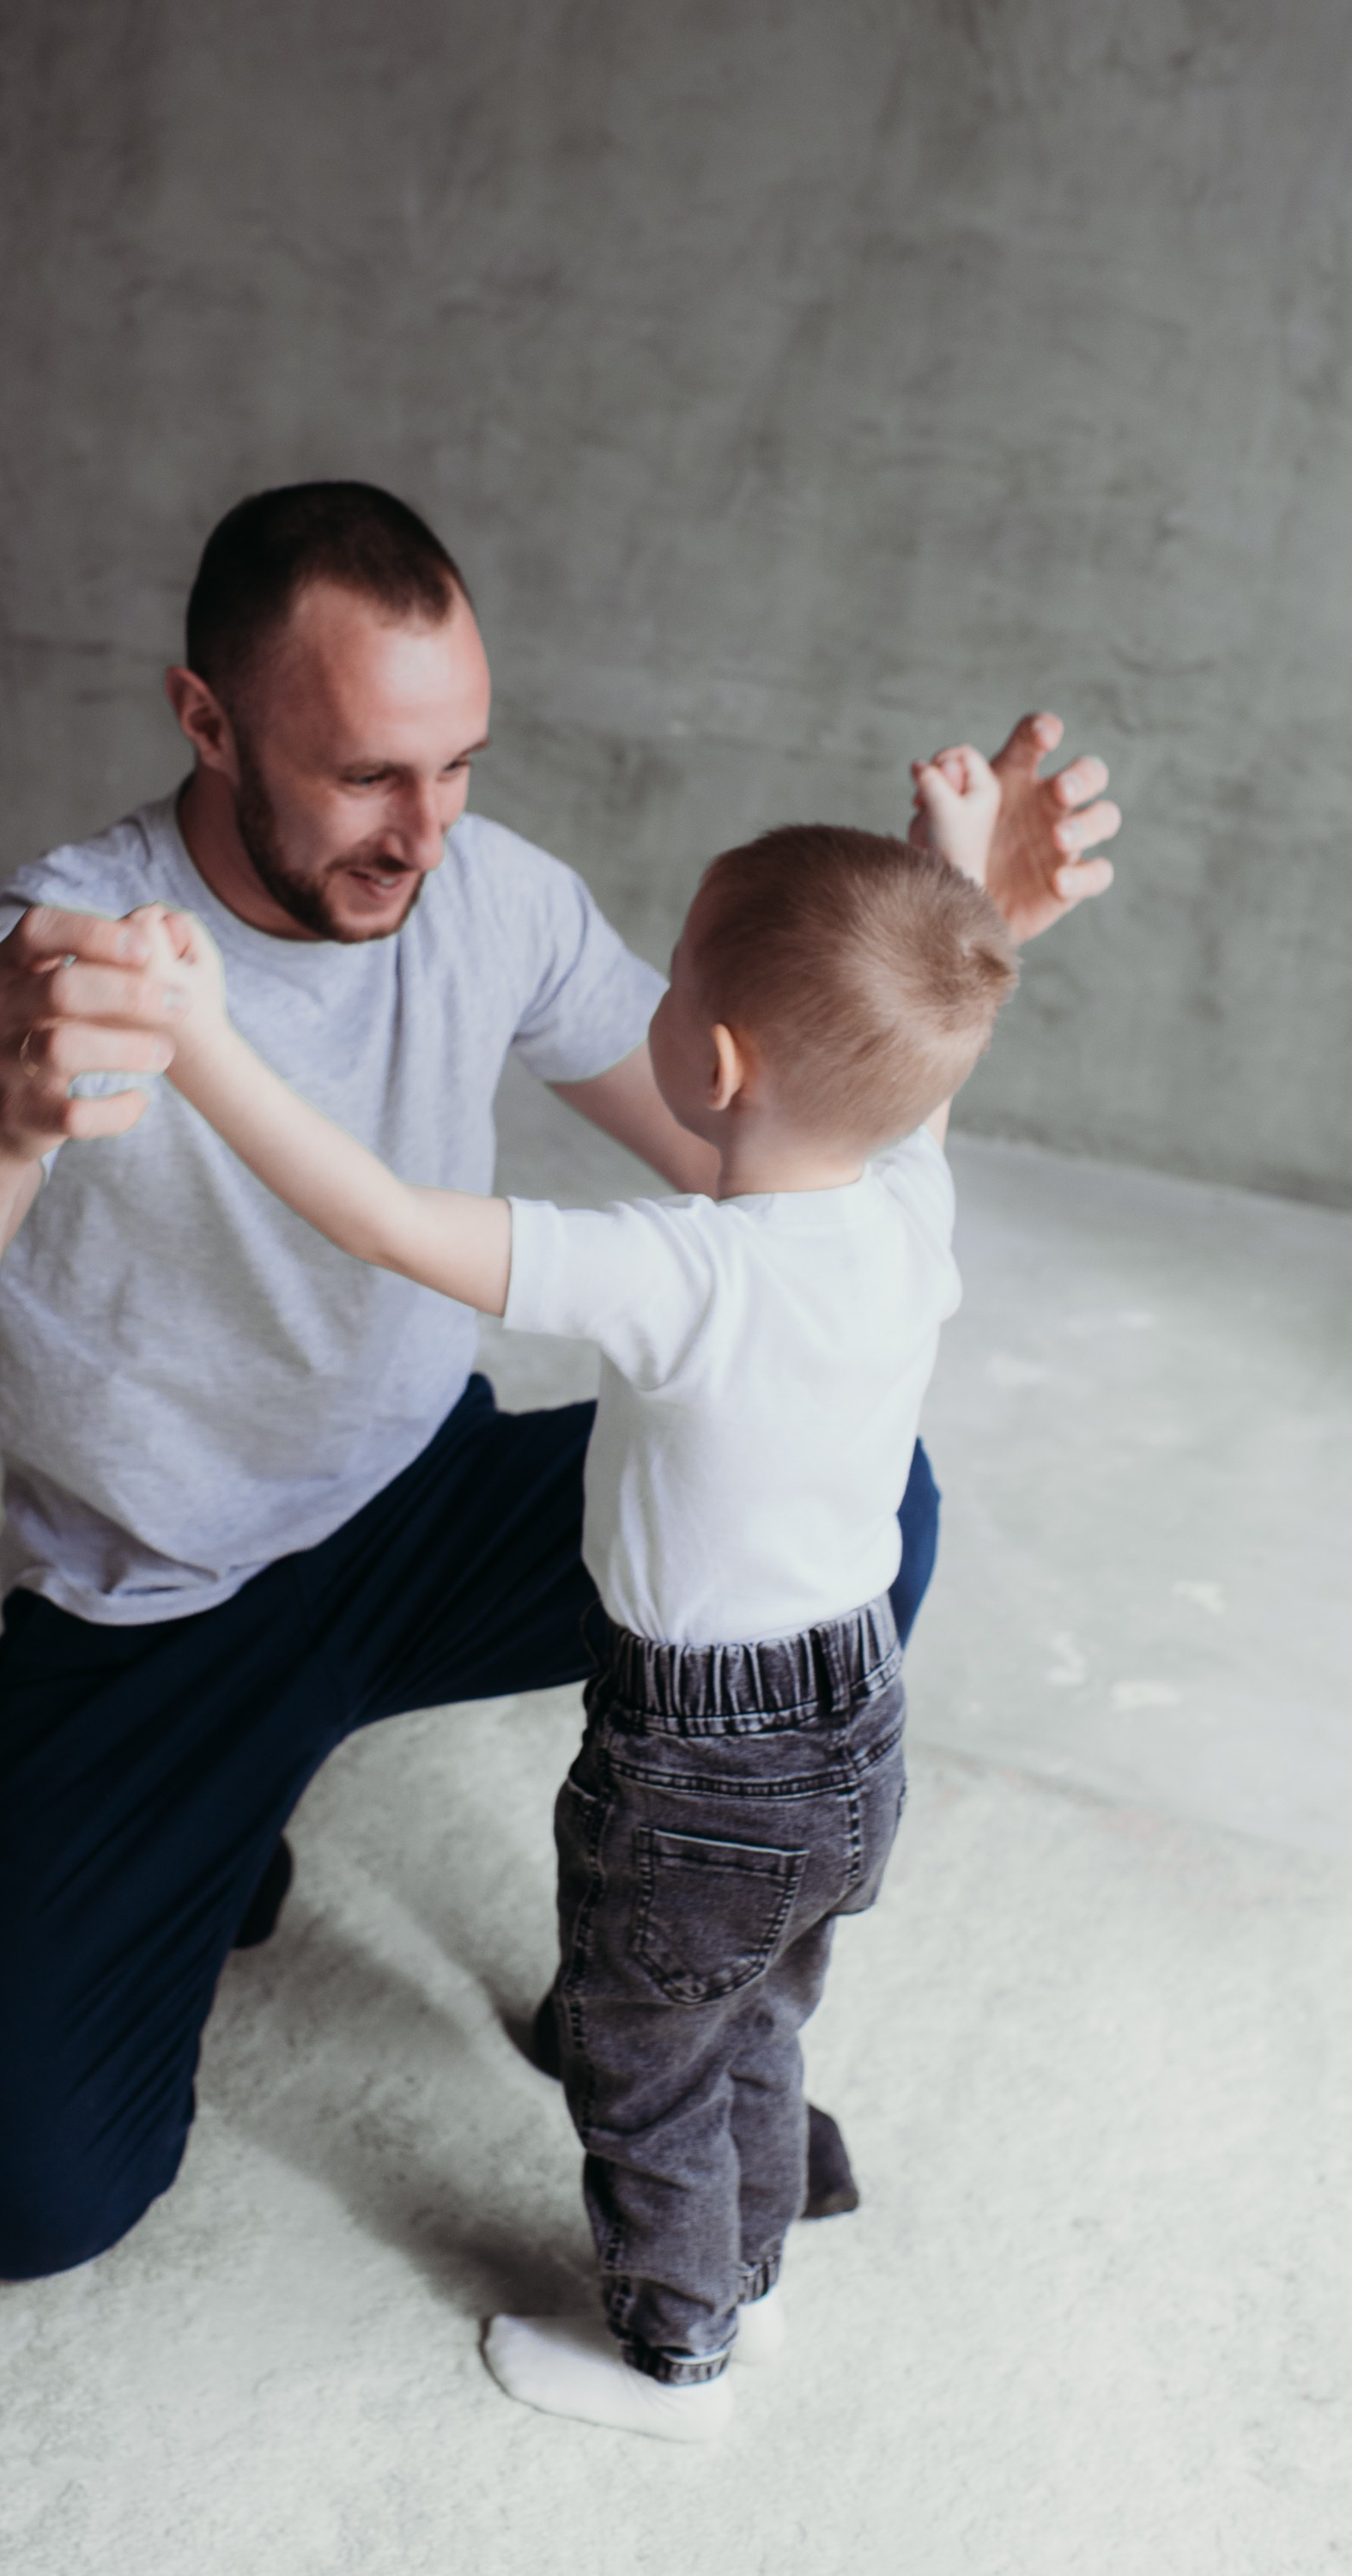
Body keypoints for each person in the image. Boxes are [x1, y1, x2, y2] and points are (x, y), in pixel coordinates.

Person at [0, 483, 1119, 2281]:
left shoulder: (487, 892)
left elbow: (760, 1153)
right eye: (364, 776)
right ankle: (232, 1801)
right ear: (206, 720)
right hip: (162, 1604)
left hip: (424, 1498)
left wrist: (957, 950)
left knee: (870, 1506)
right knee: (19, 2207)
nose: (420, 833)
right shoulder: (53, 952)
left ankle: (642, 1982)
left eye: (459, 768)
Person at [126, 738, 1013, 2437]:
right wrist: (948, 863)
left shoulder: (685, 1269)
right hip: (855, 1727)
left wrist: (201, 1041)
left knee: (642, 2050)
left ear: (725, 1061)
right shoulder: (909, 1201)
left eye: (674, 983)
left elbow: (388, 1219)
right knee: (754, 2007)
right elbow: (921, 1081)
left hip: (700, 1764)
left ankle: (673, 2347)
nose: (654, 1003)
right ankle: (753, 2252)